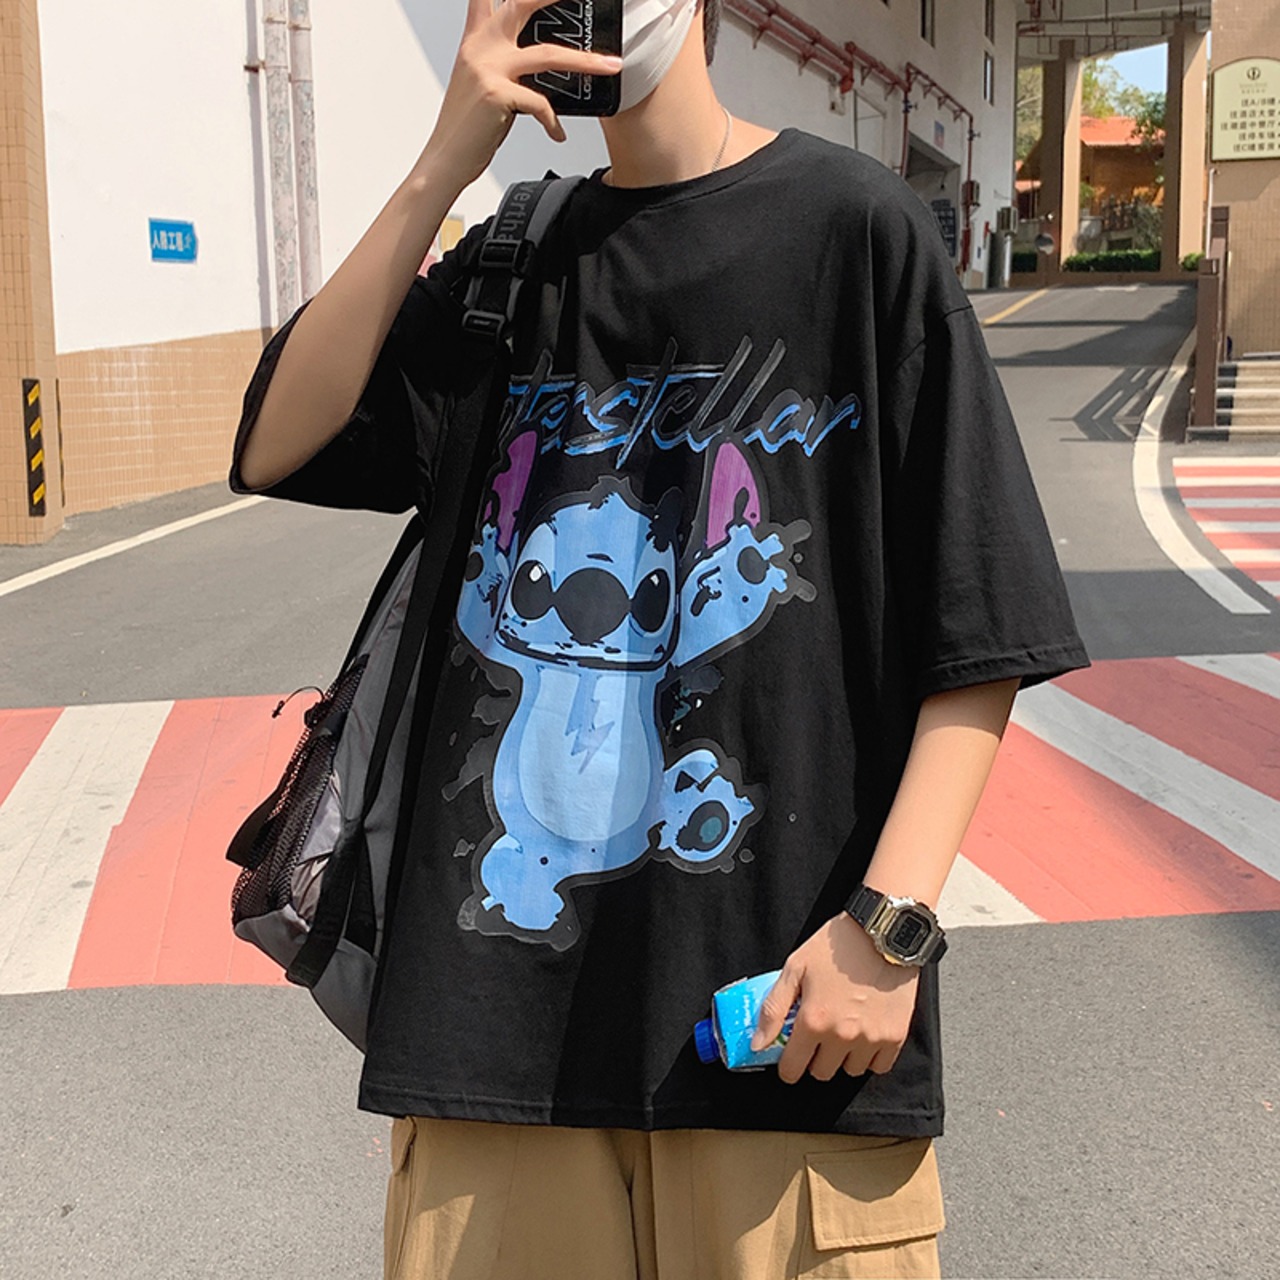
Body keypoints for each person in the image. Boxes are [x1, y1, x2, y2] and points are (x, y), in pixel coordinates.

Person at [229, 1, 1089, 1276]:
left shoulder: (854, 229)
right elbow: (275, 443)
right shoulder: (510, 264)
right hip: (492, 1045)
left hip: (784, 1023)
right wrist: (440, 167)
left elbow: (977, 622)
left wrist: (887, 928)